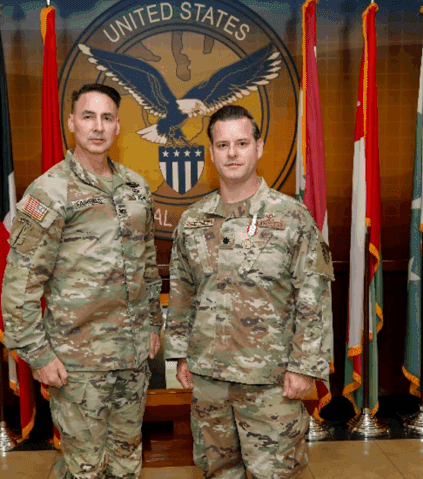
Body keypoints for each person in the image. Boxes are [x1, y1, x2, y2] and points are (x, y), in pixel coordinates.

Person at [1, 83, 162, 478]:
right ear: (72, 123)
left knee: (126, 463)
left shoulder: (135, 187)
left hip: (132, 358)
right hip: (77, 365)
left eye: (106, 118)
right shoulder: (49, 191)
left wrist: (154, 325)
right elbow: (20, 282)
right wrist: (38, 355)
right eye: (88, 116)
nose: (97, 126)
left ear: (118, 126)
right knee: (85, 469)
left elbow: (147, 265)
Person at [165, 105, 333, 478]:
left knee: (274, 472)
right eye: (223, 145)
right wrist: (180, 355)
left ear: (259, 146)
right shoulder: (193, 221)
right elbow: (181, 292)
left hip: (271, 381)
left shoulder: (291, 217)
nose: (232, 153)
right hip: (209, 378)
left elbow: (314, 296)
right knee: (217, 471)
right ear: (211, 152)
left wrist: (305, 367)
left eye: (242, 143)